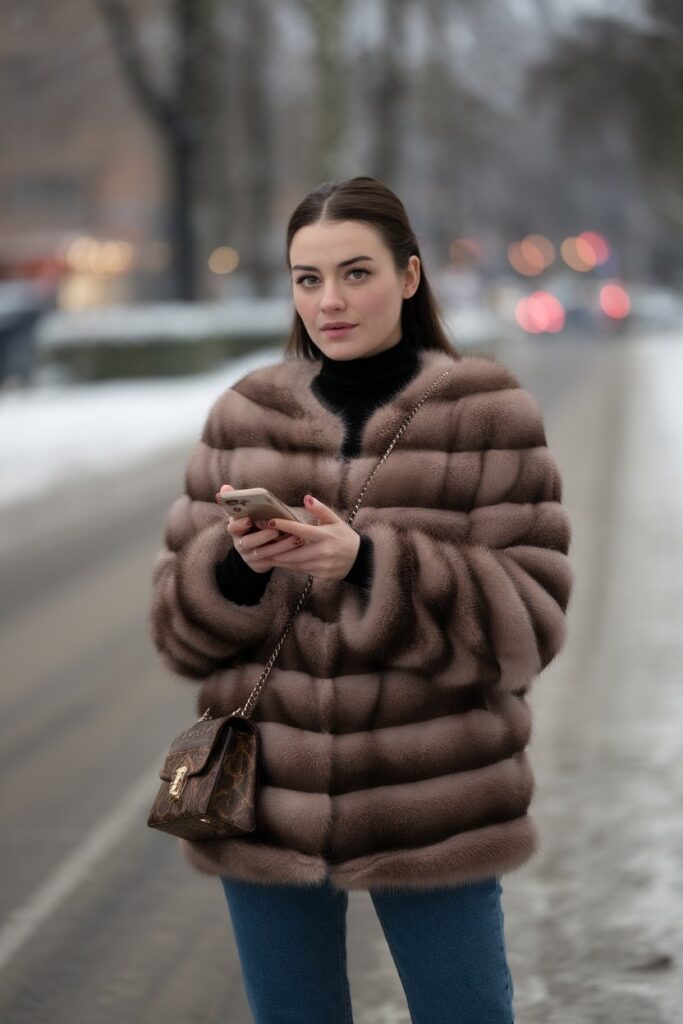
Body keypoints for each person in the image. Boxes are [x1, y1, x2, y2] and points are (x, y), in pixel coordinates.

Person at [150, 175, 573, 1023]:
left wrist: (371, 563)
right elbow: (178, 629)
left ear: (409, 277)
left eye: (355, 273)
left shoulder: (486, 414)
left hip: (436, 798)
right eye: (308, 279)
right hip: (263, 797)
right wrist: (237, 570)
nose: (329, 302)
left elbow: (530, 626)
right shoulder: (244, 416)